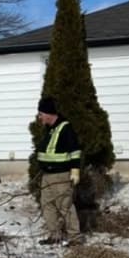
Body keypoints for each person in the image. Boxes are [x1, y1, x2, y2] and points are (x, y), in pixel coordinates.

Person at [34, 96, 82, 246]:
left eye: (41, 114)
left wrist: (75, 171)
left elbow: (75, 151)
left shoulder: (65, 128)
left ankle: (75, 238)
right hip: (47, 175)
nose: (39, 117)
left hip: (61, 176)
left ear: (49, 113)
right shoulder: (50, 130)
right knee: (47, 205)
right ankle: (54, 236)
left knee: (65, 206)